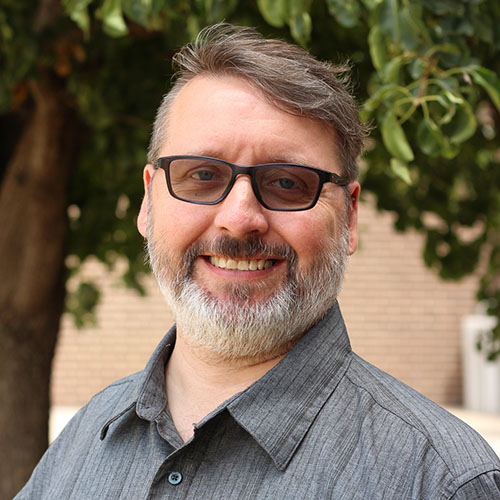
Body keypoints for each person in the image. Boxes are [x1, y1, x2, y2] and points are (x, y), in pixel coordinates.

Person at [16, 23, 500, 499]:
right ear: (148, 202)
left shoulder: (442, 481)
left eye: (288, 182)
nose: (239, 218)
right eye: (202, 175)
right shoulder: (81, 442)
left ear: (349, 217)